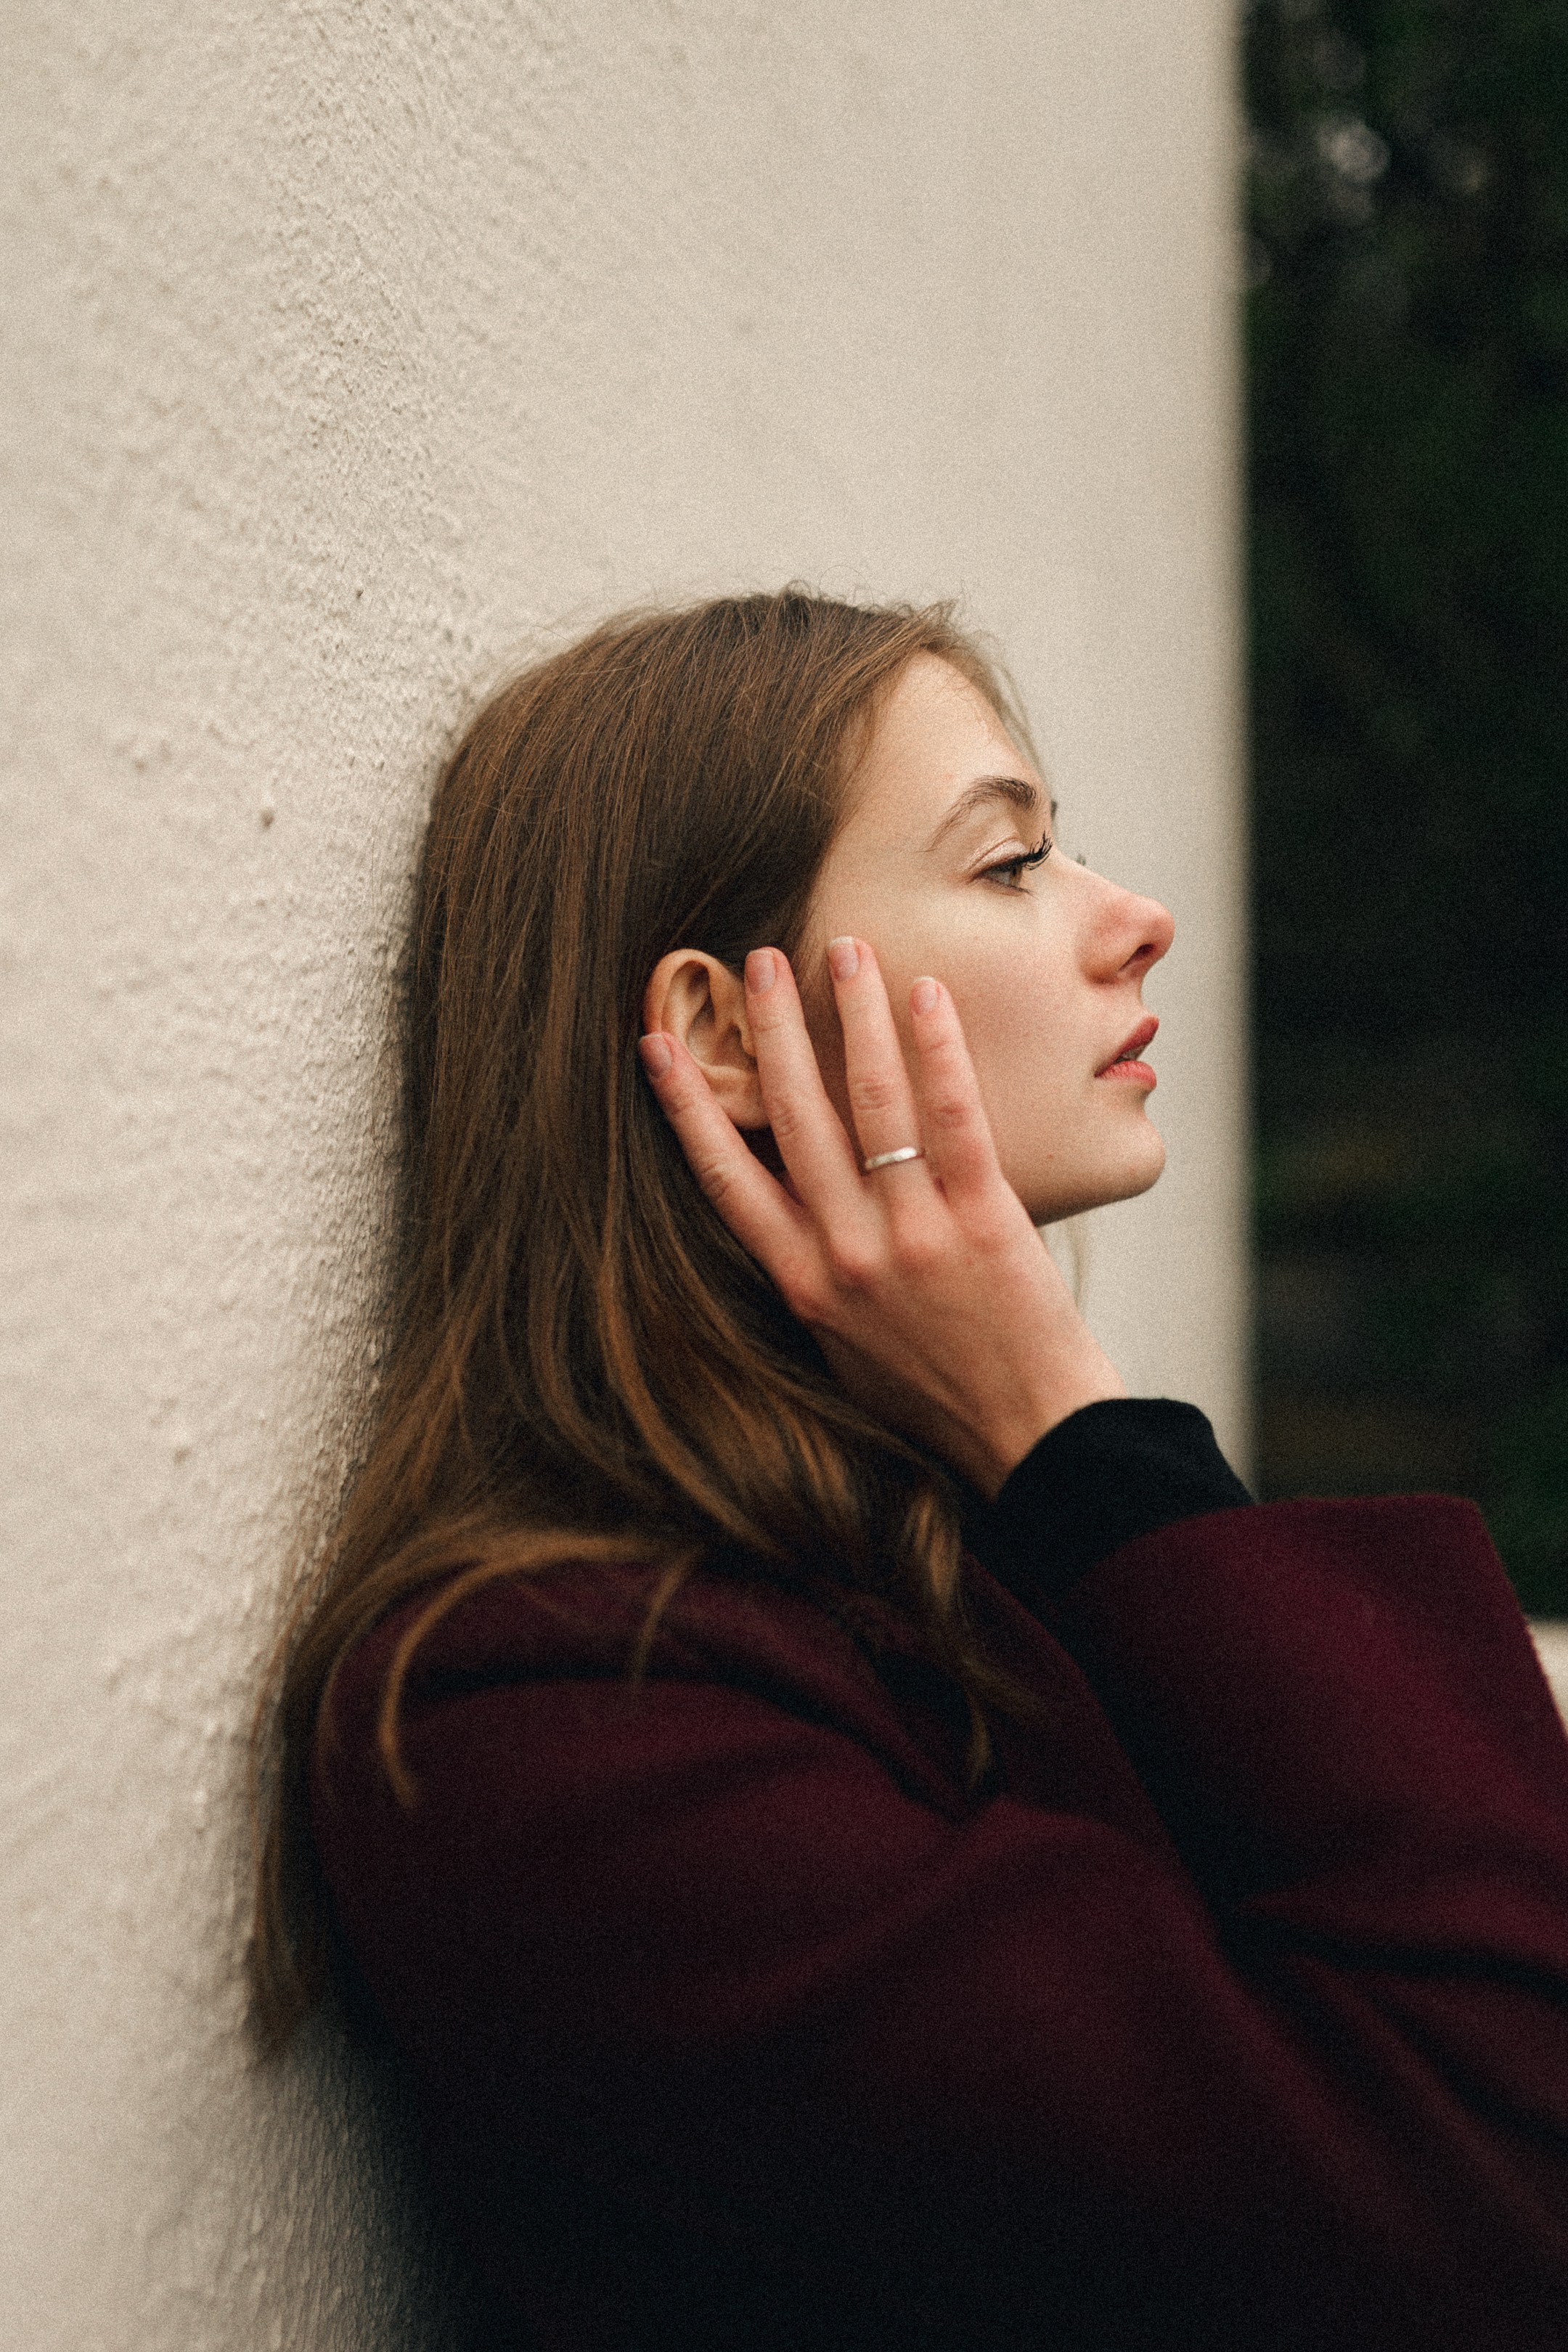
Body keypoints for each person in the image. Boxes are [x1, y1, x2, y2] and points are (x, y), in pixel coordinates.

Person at [255, 591, 1568, 2350]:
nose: (1137, 921)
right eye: (1012, 863)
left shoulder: (948, 1551)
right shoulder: (555, 1716)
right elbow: (1499, 2181)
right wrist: (1071, 1425)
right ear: (726, 1035)